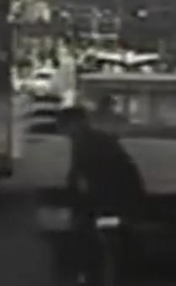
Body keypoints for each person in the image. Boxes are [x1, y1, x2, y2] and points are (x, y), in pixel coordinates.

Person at [54, 98, 147, 282]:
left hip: (111, 199)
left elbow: (80, 176)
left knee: (86, 237)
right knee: (115, 240)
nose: (64, 132)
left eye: (64, 127)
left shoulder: (84, 142)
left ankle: (89, 274)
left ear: (74, 124)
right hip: (123, 198)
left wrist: (72, 199)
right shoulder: (98, 138)